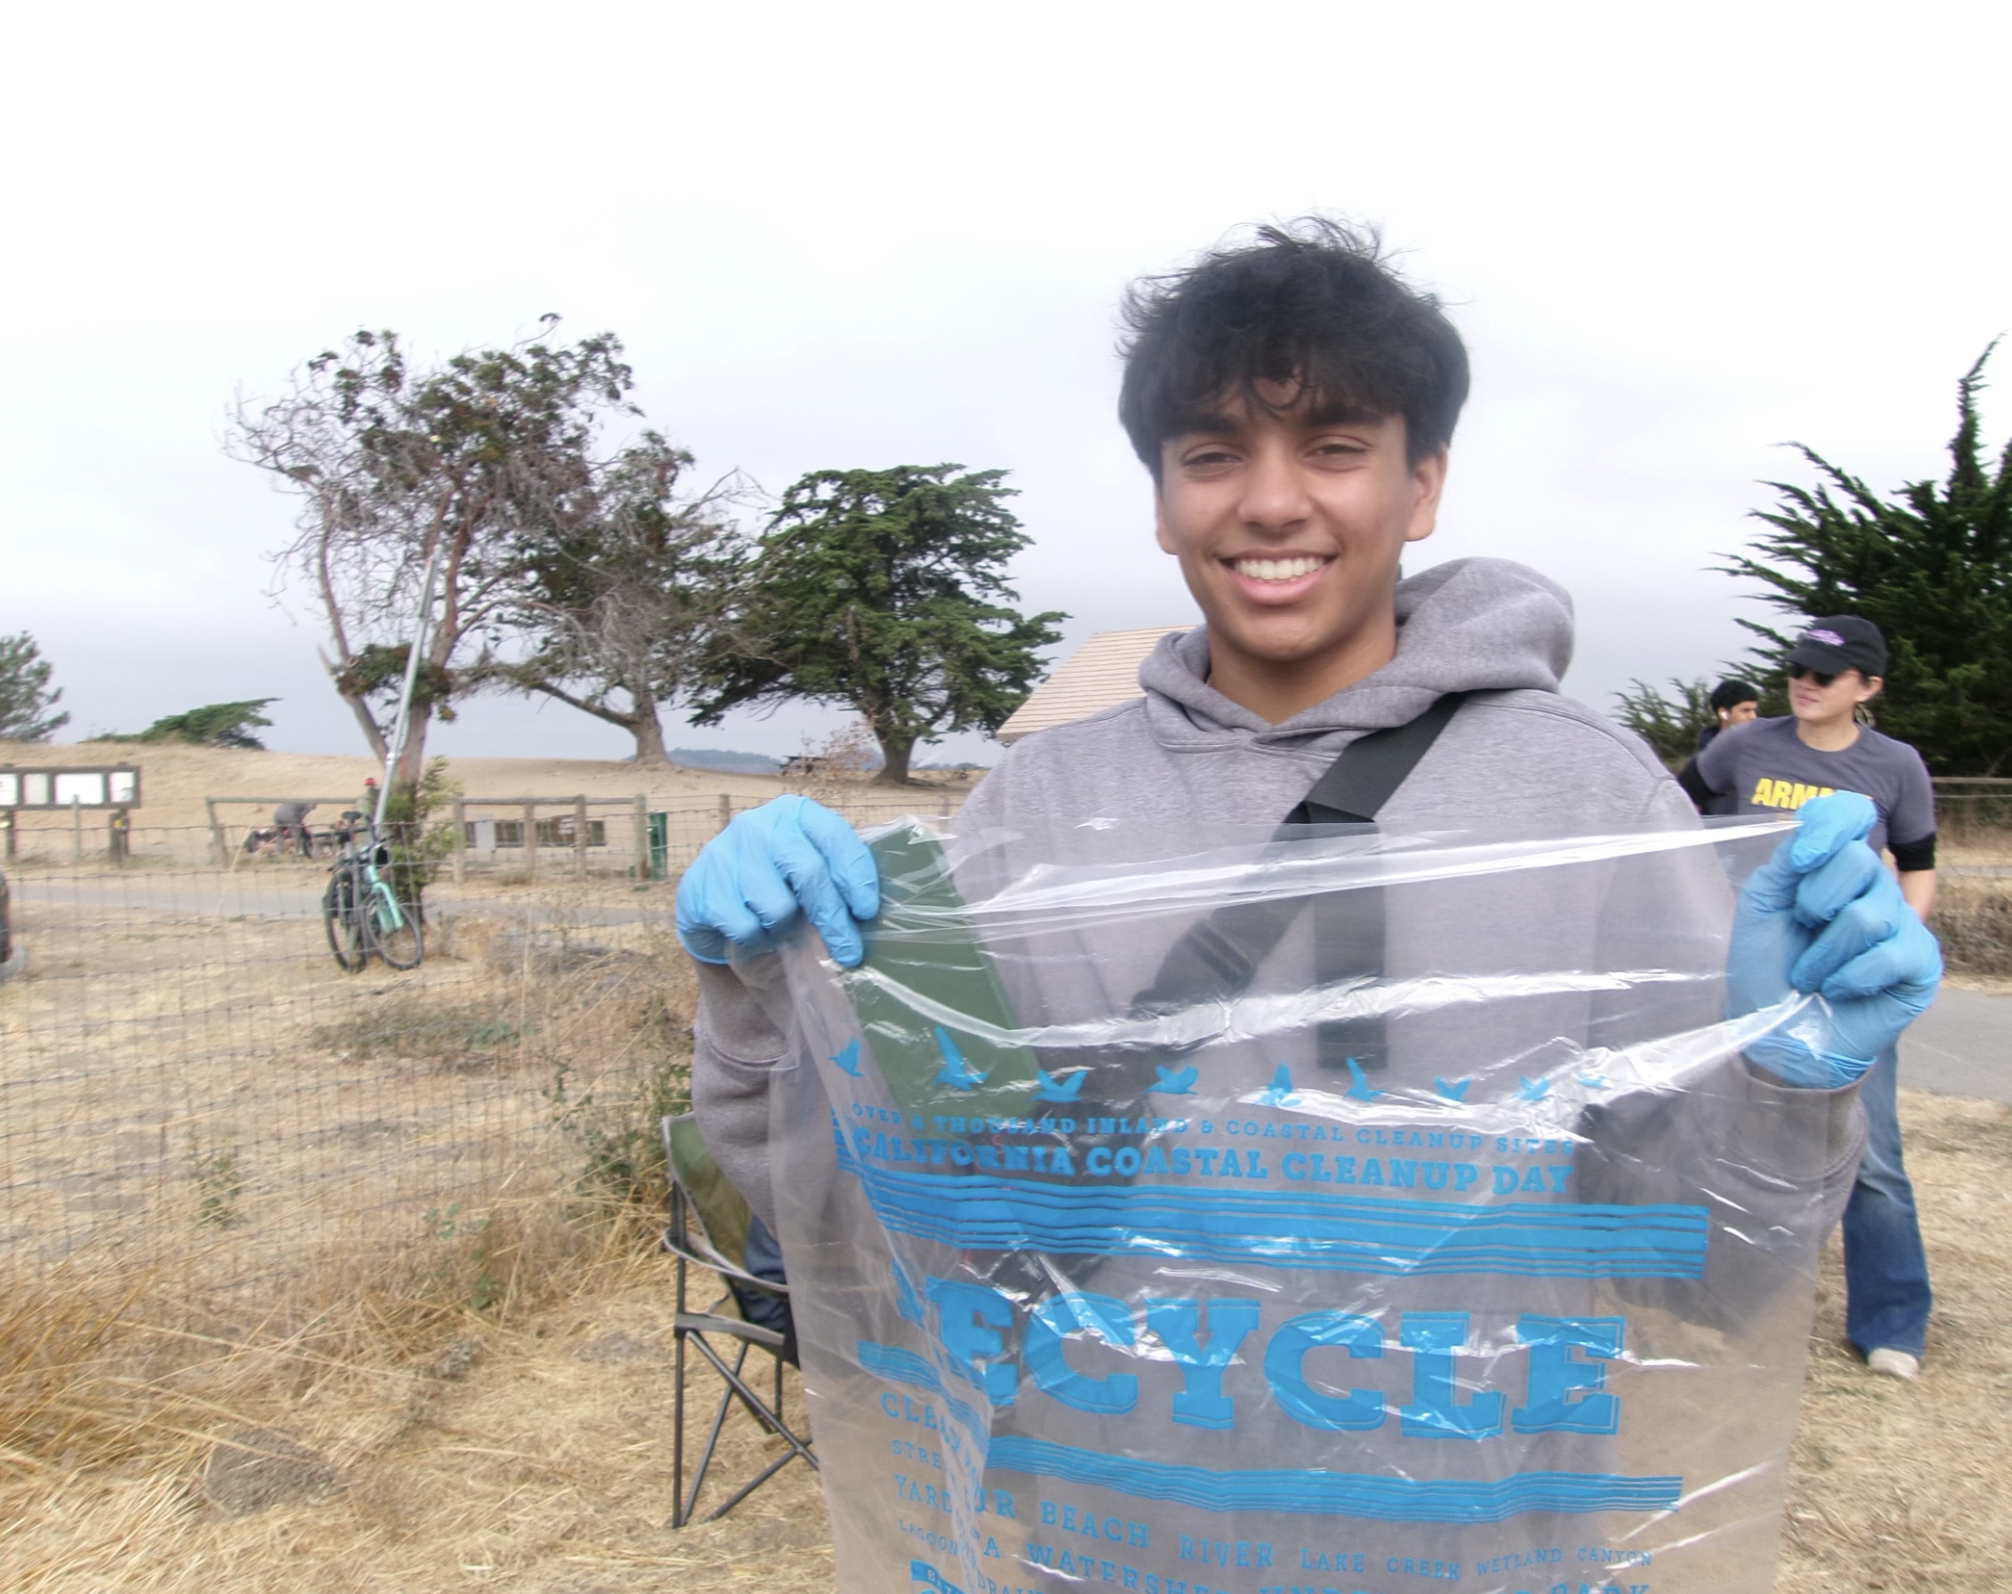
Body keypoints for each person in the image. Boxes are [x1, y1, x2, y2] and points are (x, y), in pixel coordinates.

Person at [1681, 616, 1938, 1378]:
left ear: (1868, 688)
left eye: (1824, 676)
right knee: (1712, 1138)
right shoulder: (1743, 746)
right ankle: (1710, 1302)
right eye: (1796, 667)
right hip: (1739, 973)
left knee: (1873, 1153)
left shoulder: (1897, 766)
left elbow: (1919, 861)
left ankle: (1892, 1321)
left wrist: (1898, 938)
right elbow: (1670, 814)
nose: (1804, 683)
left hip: (1843, 988)